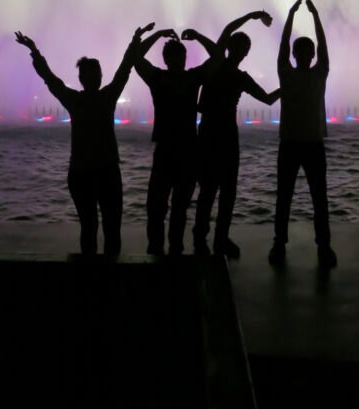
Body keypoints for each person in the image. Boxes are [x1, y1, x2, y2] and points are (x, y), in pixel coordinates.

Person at [15, 23, 153, 257]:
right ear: (92, 78)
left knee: (89, 228)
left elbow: (50, 79)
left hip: (81, 172)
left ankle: (87, 281)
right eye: (95, 75)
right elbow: (125, 69)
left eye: (96, 74)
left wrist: (34, 51)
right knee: (111, 230)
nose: (96, 78)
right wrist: (135, 40)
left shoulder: (74, 100)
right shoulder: (107, 97)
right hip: (107, 172)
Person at [190, 11, 280, 259]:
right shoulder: (216, 62)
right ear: (229, 47)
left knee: (228, 191)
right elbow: (229, 27)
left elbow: (268, 99)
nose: (241, 51)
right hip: (209, 132)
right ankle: (201, 237)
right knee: (209, 189)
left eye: (245, 48)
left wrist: (291, 84)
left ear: (246, 53)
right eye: (238, 46)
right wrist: (253, 15)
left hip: (227, 135)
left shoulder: (242, 78)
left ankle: (219, 239)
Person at [134, 26, 220, 256]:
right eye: (175, 56)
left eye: (180, 55)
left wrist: (160, 35)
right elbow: (218, 56)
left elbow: (136, 56)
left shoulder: (162, 78)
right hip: (178, 149)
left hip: (177, 150)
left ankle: (164, 248)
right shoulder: (186, 78)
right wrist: (194, 36)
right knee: (167, 206)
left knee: (167, 206)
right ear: (168, 59)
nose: (178, 59)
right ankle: (169, 248)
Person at [269, 0, 337, 269]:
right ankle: (279, 242)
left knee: (319, 197)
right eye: (301, 51)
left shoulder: (321, 72)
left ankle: (323, 245)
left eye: (308, 52)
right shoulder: (285, 71)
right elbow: (283, 43)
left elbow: (323, 44)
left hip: (311, 143)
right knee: (284, 196)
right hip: (291, 143)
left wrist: (315, 15)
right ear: (296, 54)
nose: (305, 55)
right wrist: (291, 15)